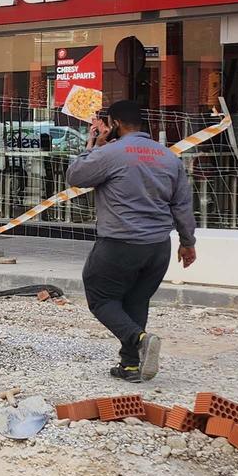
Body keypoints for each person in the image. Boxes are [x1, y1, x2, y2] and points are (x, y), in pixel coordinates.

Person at [66, 99, 196, 383]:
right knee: (137, 300)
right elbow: (182, 204)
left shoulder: (111, 153)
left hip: (120, 244)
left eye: (108, 124)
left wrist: (94, 145)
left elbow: (75, 176)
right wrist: (188, 242)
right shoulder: (168, 157)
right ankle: (131, 366)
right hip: (158, 247)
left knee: (101, 297)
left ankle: (139, 339)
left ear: (115, 124)